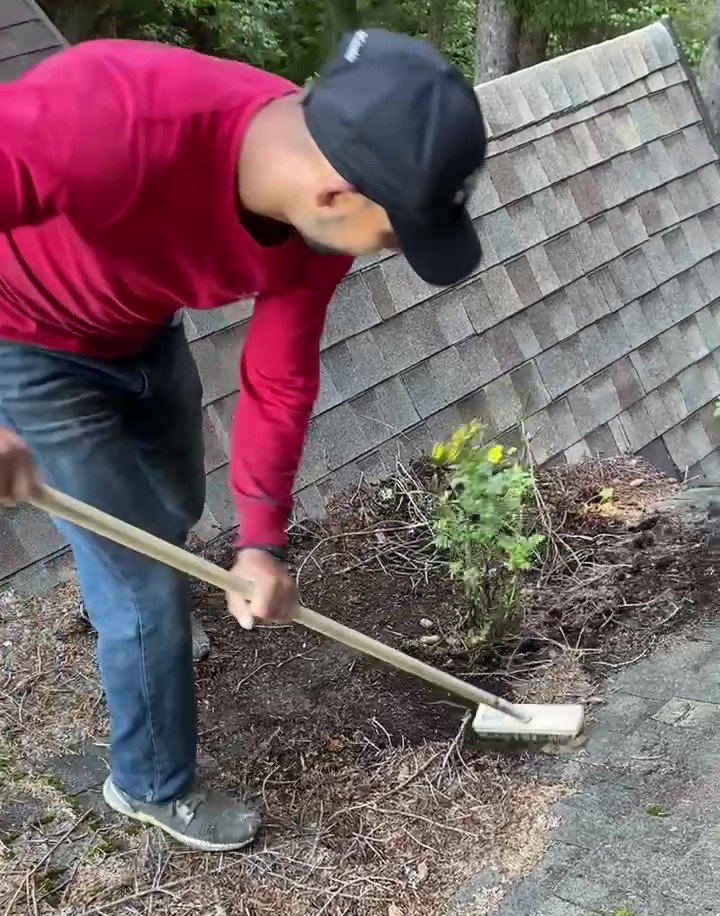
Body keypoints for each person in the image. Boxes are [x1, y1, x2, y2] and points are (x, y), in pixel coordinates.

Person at [0, 28, 487, 851]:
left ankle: (121, 601)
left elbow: (279, 374)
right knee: (150, 590)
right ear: (337, 192)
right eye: (395, 234)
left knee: (175, 505)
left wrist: (261, 543)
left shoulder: (316, 213)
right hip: (29, 350)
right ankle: (149, 784)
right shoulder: (107, 118)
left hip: (142, 333)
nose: (389, 250)